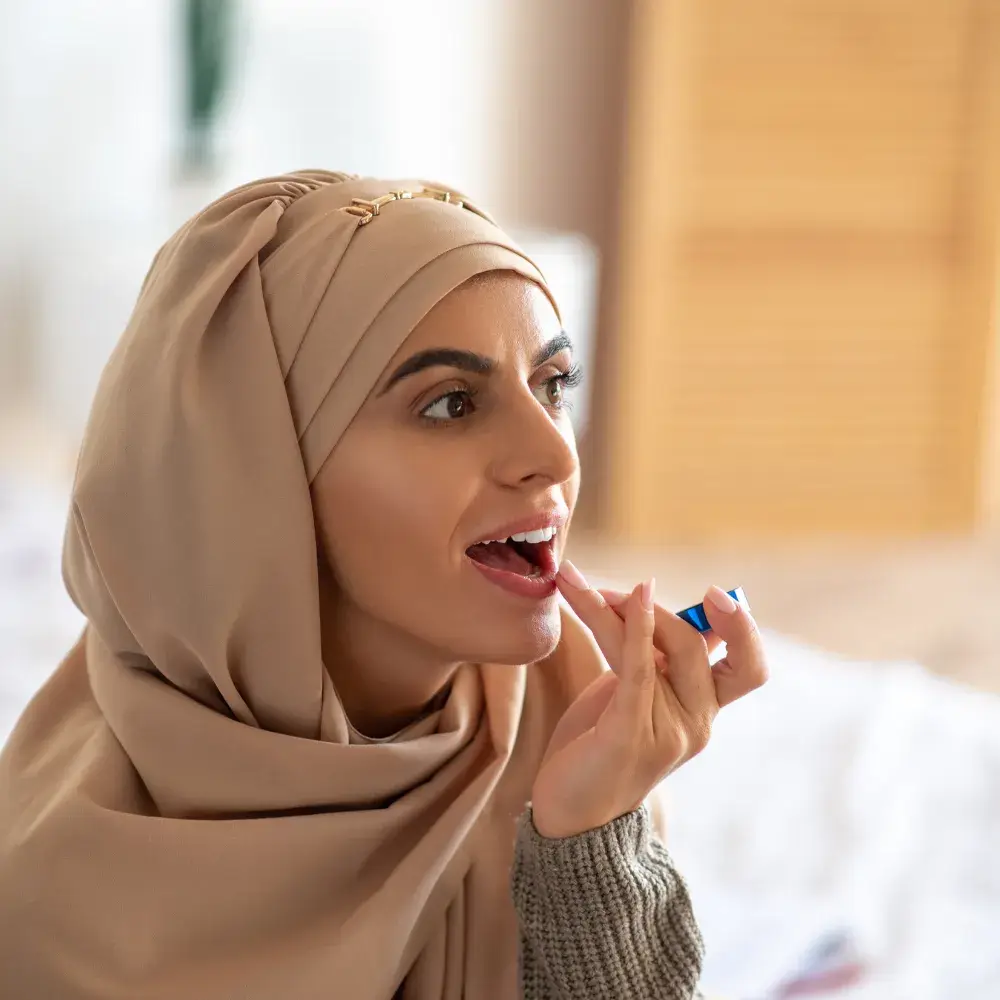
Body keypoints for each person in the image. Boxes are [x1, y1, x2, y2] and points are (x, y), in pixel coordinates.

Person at [0, 171, 768, 999]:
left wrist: (589, 840)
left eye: (552, 386)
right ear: (262, 477)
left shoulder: (575, 717)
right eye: (450, 405)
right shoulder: (65, 885)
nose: (556, 454)